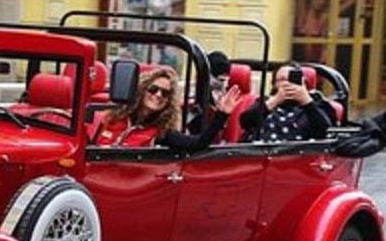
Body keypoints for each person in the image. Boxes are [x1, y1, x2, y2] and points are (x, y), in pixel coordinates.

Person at [95, 67, 242, 152]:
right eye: (153, 89)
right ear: (141, 90)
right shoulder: (111, 118)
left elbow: (198, 143)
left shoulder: (161, 133)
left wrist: (221, 115)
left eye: (165, 93)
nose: (158, 95)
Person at [239, 64, 336, 143]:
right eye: (281, 80)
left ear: (302, 82)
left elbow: (327, 132)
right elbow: (245, 122)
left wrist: (307, 102)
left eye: (291, 79)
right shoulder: (265, 102)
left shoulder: (317, 103)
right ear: (274, 84)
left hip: (301, 158)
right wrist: (275, 101)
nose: (287, 84)